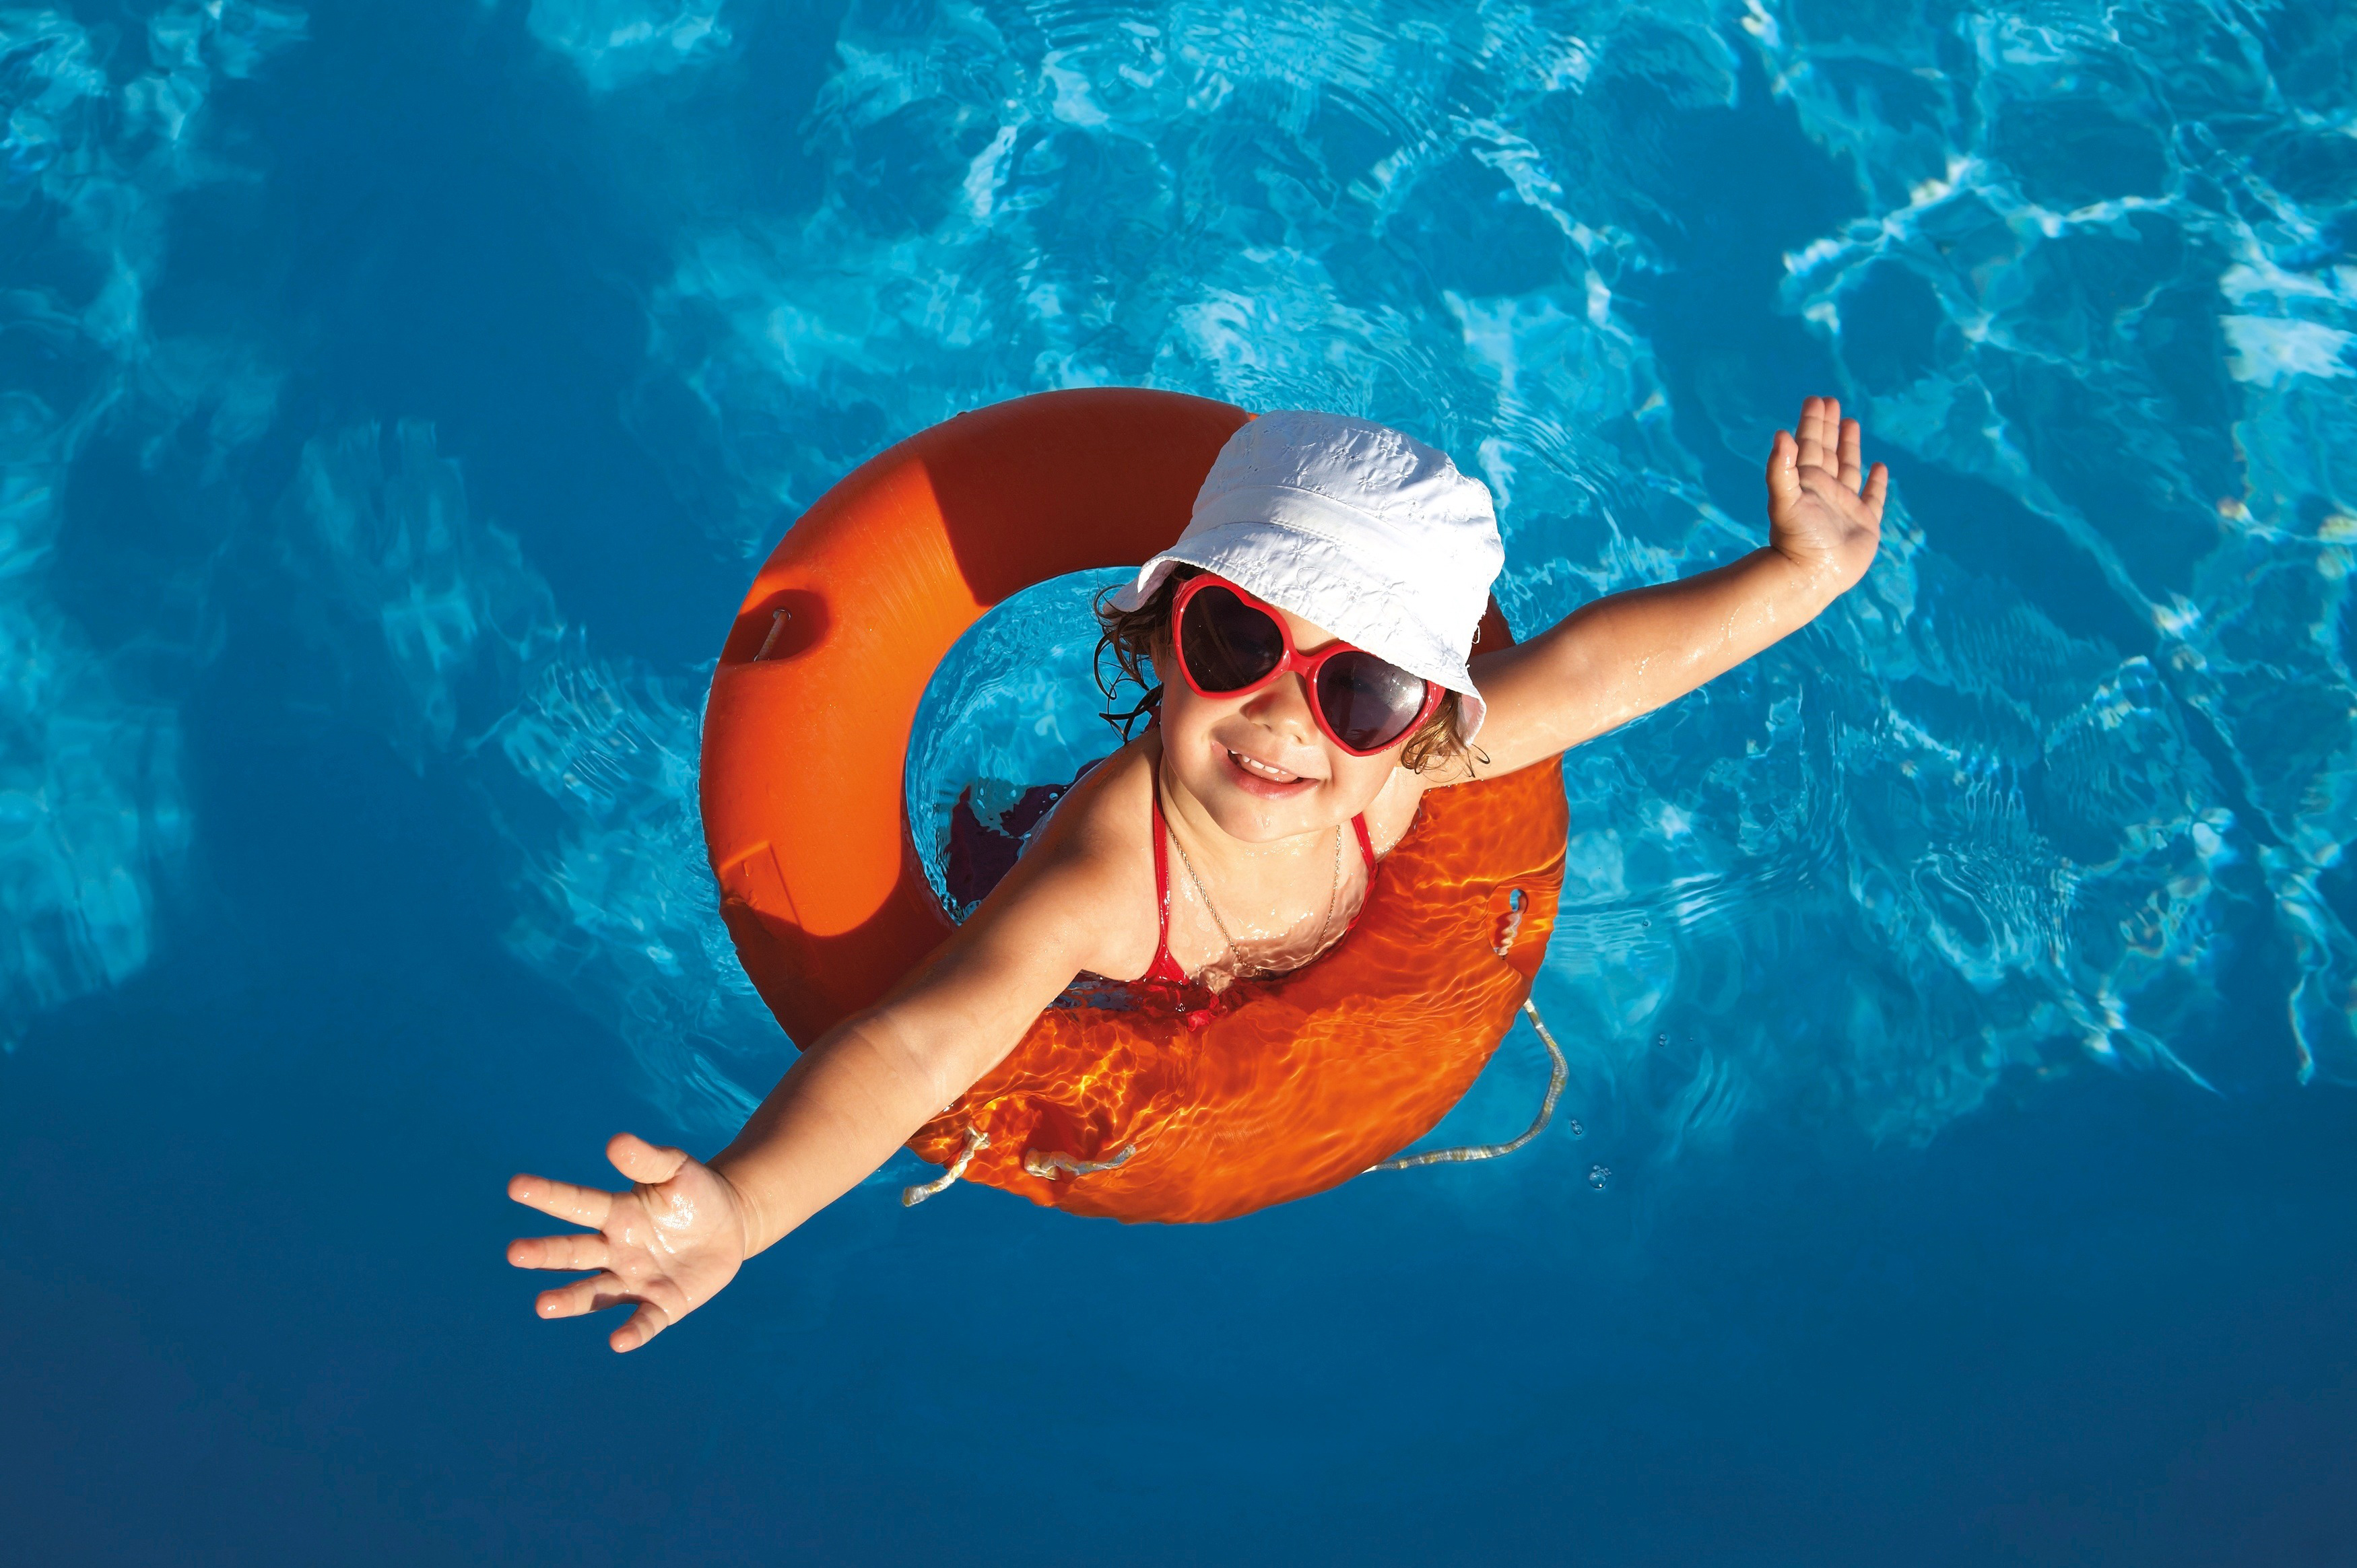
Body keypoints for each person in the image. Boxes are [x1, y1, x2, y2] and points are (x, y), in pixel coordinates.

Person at [507, 396, 1888, 1351]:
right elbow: (924, 1042)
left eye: (1361, 685)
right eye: (1237, 641)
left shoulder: (1412, 776)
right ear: (1158, 633)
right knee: (988, 899)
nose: (1289, 716)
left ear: (1430, 713)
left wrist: (1796, 576)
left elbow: (1593, 672)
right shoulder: (1111, 866)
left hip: (1284, 985)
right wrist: (745, 1203)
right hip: (1118, 977)